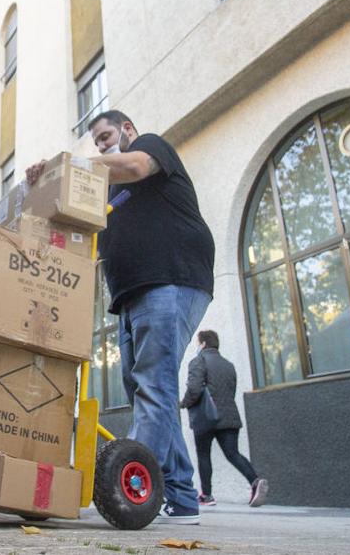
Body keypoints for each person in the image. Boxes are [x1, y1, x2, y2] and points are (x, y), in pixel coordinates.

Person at [27, 110, 214, 524]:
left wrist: (67, 166)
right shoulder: (109, 191)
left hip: (171, 278)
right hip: (132, 292)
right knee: (146, 388)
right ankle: (181, 496)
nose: (102, 145)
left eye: (106, 135)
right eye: (96, 142)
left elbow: (133, 166)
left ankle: (129, 490)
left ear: (127, 129)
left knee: (153, 383)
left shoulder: (149, 147)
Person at [182, 330, 268, 507]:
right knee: (232, 453)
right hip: (229, 415)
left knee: (204, 455)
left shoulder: (198, 361)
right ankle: (255, 480)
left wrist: (184, 403)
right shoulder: (228, 365)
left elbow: (194, 389)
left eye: (198, 343)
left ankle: (207, 496)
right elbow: (231, 390)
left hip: (206, 417)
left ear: (203, 344)